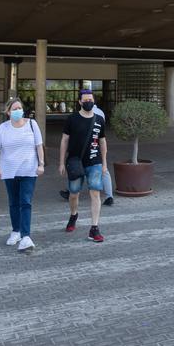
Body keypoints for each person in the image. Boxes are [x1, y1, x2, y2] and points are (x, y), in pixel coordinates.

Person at [0, 98, 45, 253]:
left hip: (29, 170)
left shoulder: (32, 125)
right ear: (8, 112)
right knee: (14, 202)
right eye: (14, 109)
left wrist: (41, 164)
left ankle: (26, 236)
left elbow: (39, 146)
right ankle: (16, 231)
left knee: (25, 202)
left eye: (19, 108)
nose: (18, 111)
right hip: (9, 171)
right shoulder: (3, 128)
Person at [58, 88, 109, 242]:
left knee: (95, 193)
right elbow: (64, 140)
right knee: (74, 193)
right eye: (85, 100)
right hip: (75, 162)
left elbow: (102, 141)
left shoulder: (99, 120)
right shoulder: (72, 119)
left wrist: (104, 163)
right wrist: (61, 162)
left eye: (91, 100)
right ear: (80, 102)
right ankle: (74, 215)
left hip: (95, 162)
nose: (89, 102)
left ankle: (94, 228)